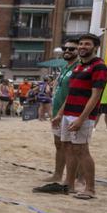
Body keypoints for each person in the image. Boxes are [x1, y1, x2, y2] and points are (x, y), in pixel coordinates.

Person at [54, 33, 107, 200]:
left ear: (95, 47)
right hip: (68, 113)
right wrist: (60, 114)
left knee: (82, 150)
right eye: (81, 44)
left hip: (82, 115)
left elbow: (96, 96)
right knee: (68, 148)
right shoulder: (78, 67)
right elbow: (71, 93)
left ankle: (90, 188)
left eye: (87, 44)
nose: (82, 47)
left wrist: (81, 118)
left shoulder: (99, 67)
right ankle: (69, 184)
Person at [33, 39, 79, 193]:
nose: (67, 51)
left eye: (71, 49)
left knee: (74, 147)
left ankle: (79, 178)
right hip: (58, 110)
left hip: (70, 113)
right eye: (65, 48)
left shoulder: (78, 68)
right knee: (59, 144)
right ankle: (58, 174)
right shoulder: (65, 67)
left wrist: (60, 113)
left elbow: (73, 94)